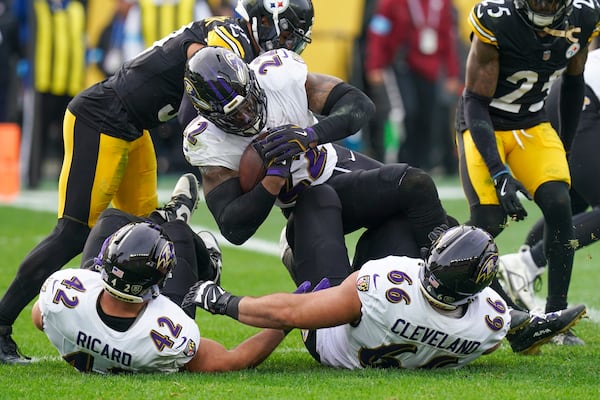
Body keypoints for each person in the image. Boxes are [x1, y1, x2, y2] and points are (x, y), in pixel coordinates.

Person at [0, 0, 316, 364]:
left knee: (145, 235)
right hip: (102, 118)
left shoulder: (235, 40)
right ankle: (2, 325)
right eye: (288, 32)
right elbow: (189, 111)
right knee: (72, 231)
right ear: (264, 21)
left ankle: (184, 265)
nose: (289, 43)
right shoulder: (230, 38)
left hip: (133, 129)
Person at [181, 46, 451, 290]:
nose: (245, 116)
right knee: (331, 301)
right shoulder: (208, 140)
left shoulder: (277, 77)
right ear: (209, 115)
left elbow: (359, 105)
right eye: (231, 115)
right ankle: (299, 251)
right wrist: (273, 179)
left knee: (416, 194)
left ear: (252, 81)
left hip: (339, 169)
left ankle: (462, 282)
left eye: (247, 102)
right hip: (307, 209)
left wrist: (310, 136)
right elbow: (233, 227)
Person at [183, 225, 587, 369]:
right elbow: (493, 318)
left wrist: (220, 300)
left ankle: (293, 251)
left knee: (311, 240)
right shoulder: (489, 324)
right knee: (400, 224)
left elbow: (293, 312)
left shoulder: (385, 285)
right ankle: (530, 324)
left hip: (331, 343)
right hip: (408, 344)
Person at [454, 0, 600, 346]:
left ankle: (554, 318)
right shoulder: (497, 19)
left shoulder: (583, 13)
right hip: (485, 122)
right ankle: (501, 313)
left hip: (533, 123)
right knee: (486, 222)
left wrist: (563, 147)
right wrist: (499, 172)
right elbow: (474, 99)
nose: (545, 5)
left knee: (559, 203)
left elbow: (574, 81)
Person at [31, 220, 288, 374]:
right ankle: (209, 266)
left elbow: (38, 318)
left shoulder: (60, 294)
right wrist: (287, 321)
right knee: (178, 230)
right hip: (149, 328)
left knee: (110, 217)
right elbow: (235, 359)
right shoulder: (172, 333)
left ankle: (156, 219)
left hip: (109, 320)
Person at [498, 49, 600, 318]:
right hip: (581, 97)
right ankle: (526, 264)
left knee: (574, 201)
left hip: (573, 91)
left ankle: (523, 266)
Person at [365, 0, 462, 172]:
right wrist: (374, 64)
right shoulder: (391, 3)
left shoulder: (442, 4)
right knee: (401, 113)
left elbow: (449, 36)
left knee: (427, 119)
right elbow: (377, 32)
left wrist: (452, 73)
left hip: (430, 70)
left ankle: (418, 167)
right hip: (400, 66)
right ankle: (390, 163)